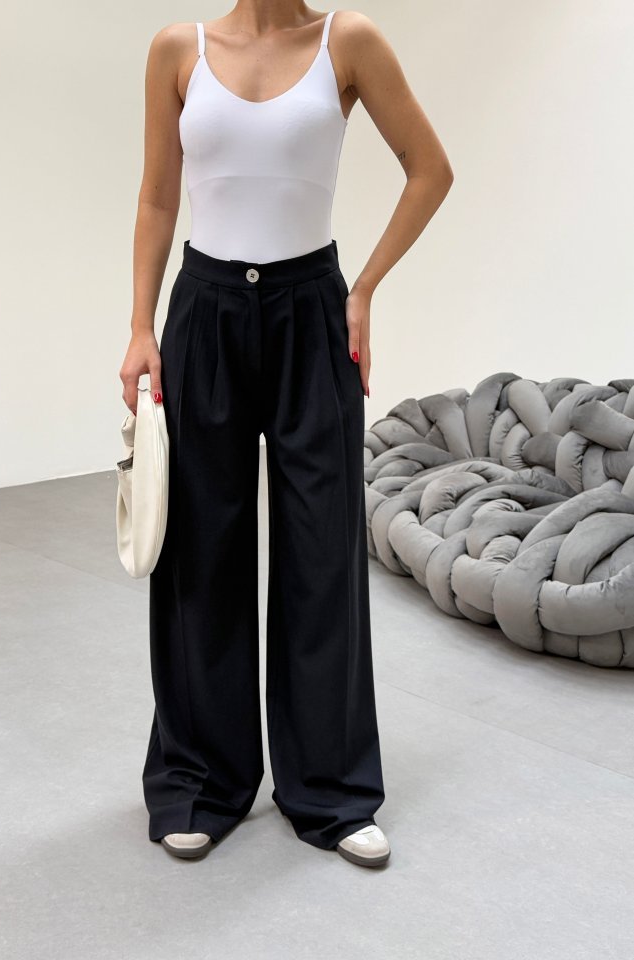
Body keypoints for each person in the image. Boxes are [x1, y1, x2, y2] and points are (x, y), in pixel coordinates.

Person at [119, 3, 453, 869]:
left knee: (322, 550)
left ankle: (331, 790)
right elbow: (157, 194)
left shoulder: (349, 40)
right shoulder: (177, 48)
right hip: (205, 312)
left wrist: (363, 288)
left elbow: (430, 169)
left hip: (313, 313)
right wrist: (140, 326)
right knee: (201, 553)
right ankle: (201, 779)